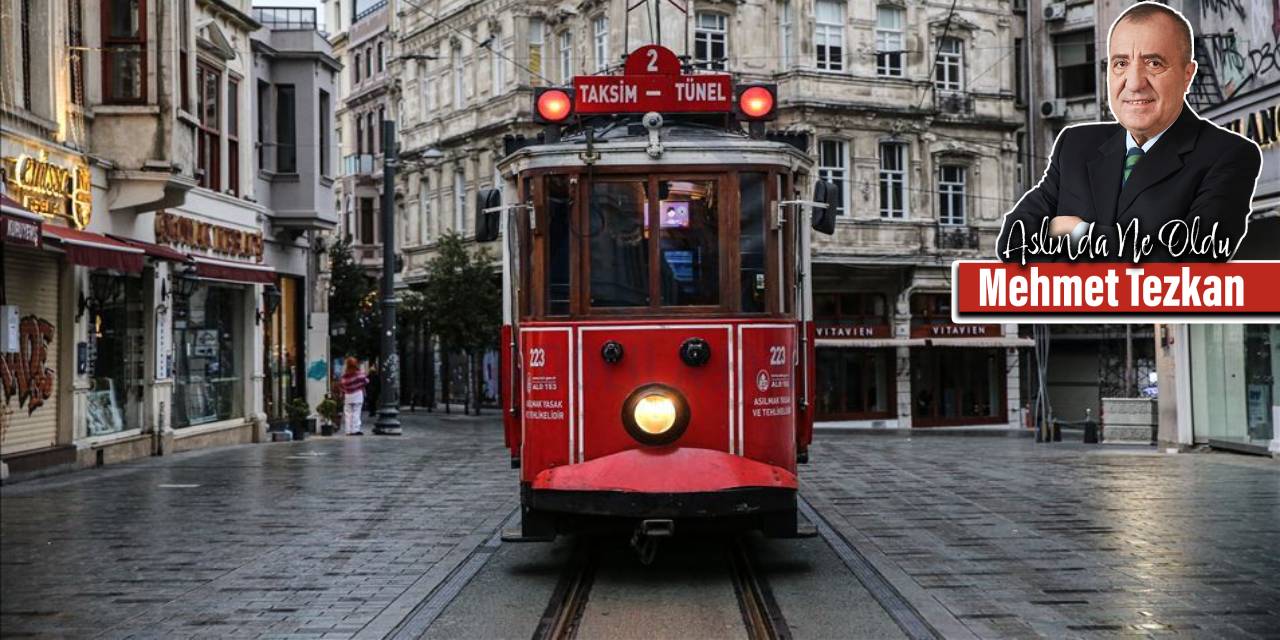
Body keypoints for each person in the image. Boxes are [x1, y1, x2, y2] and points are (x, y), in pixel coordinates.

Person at [996, 1, 1261, 264]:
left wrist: (1079, 233)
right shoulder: (1075, 145)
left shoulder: (1229, 155)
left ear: (1187, 75)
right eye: (1121, 63)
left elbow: (1192, 262)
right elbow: (1013, 244)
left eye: (1154, 63)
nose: (1134, 83)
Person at [339, 357, 369, 435]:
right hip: (358, 394)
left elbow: (342, 384)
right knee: (356, 412)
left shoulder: (345, 375)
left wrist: (345, 390)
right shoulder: (359, 373)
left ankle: (348, 430)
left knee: (348, 413)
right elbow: (366, 381)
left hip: (348, 395)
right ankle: (355, 429)